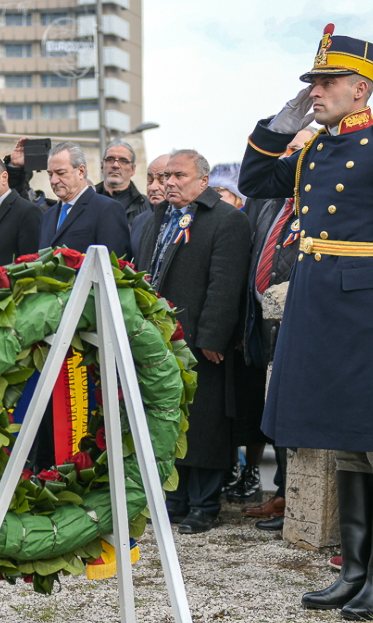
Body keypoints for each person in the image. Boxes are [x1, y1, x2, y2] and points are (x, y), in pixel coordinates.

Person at [238, 25, 373, 621]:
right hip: (320, 305)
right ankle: (354, 572)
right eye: (313, 82)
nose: (316, 91)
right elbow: (254, 184)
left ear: (360, 90)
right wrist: (281, 124)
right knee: (346, 440)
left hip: (372, 309)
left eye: (326, 82)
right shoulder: (313, 148)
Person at [136, 149, 252, 534]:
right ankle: (177, 498)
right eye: (166, 175)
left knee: (204, 424)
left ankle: (204, 503)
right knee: (171, 420)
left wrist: (213, 336)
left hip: (201, 342)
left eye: (179, 175)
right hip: (159, 340)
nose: (168, 182)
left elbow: (225, 283)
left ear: (203, 181)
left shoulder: (226, 219)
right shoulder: (155, 218)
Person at [239, 129, 314, 532]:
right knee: (273, 412)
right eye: (286, 150)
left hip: (300, 322)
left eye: (298, 150)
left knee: (295, 410)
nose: (290, 158)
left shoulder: (322, 201)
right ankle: (282, 489)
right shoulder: (269, 201)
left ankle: (296, 497)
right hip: (262, 322)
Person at [39, 142, 131, 259]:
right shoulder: (47, 216)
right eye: (50, 174)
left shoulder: (107, 209)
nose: (53, 180)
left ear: (81, 171)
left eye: (60, 173)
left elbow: (115, 266)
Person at [95, 138, 149, 222]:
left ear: (133, 169)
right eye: (110, 159)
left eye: (123, 161)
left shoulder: (147, 207)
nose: (115, 165)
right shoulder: (85, 200)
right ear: (102, 166)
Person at [130, 154, 169, 257]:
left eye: (161, 181)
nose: (153, 187)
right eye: (150, 181)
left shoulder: (188, 218)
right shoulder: (139, 220)